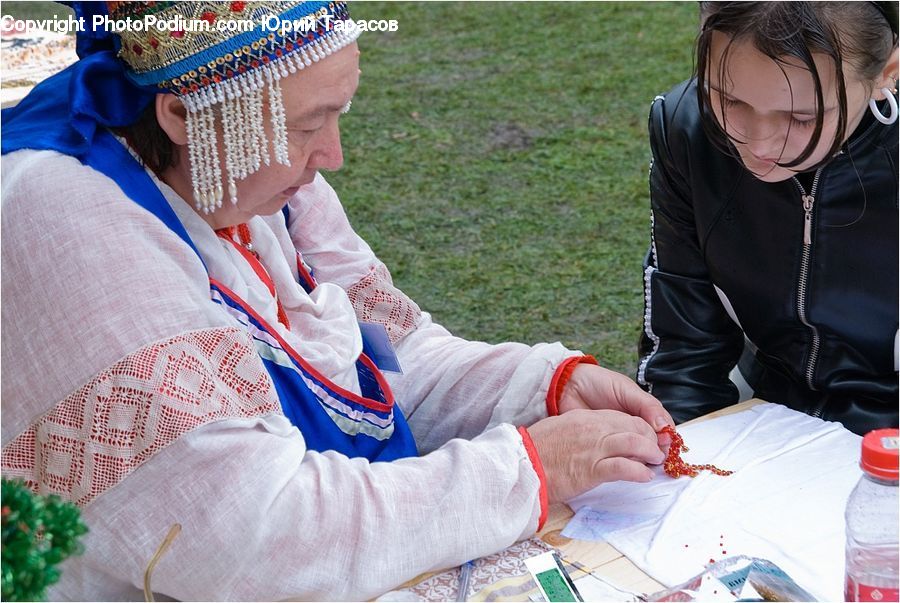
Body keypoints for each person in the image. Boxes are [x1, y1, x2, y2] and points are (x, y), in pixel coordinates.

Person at [0, 2, 673, 600]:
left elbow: (393, 358)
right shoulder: (69, 220)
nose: (333, 154)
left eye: (336, 115)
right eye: (307, 124)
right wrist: (528, 468)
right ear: (181, 114)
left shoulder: (255, 177)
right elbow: (252, 538)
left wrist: (543, 389)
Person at [636, 1, 899, 436]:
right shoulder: (686, 128)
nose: (760, 145)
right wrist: (679, 454)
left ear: (886, 73)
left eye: (801, 117)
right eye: (728, 98)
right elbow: (685, 346)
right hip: (766, 400)